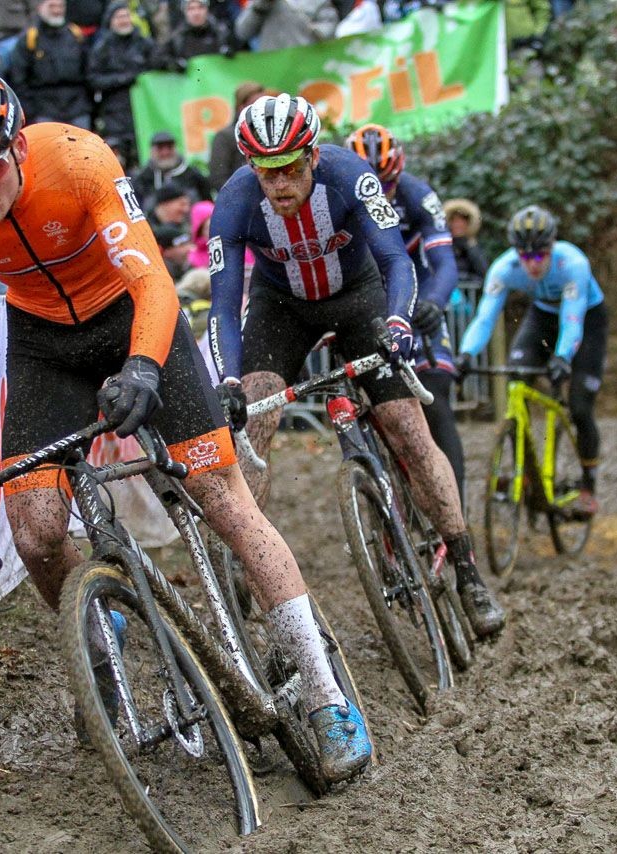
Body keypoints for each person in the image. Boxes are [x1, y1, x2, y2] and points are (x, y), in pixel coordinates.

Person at [0, 66, 372, 782]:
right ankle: (99, 637)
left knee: (225, 500)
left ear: (19, 148)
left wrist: (146, 367)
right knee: (34, 530)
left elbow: (152, 279)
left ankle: (325, 693)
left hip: (132, 317)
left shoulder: (80, 156)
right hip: (43, 343)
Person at [208, 94, 505, 638]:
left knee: (408, 430)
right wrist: (228, 378)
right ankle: (244, 567)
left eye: (291, 168)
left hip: (357, 296)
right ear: (251, 168)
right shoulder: (233, 202)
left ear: (314, 155)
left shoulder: (351, 175)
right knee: (253, 420)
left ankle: (467, 569)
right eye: (266, 171)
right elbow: (224, 304)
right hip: (282, 308)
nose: (279, 184)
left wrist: (397, 324)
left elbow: (397, 260)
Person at [457, 205, 607, 517]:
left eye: (539, 256)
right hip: (542, 315)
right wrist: (466, 353)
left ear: (552, 248)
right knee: (516, 380)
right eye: (525, 256)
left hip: (586, 321)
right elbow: (485, 316)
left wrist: (563, 357)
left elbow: (573, 317)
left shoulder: (573, 263)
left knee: (580, 406)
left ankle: (589, 485)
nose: (532, 264)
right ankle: (524, 469)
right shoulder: (504, 269)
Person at [346, 123, 467, 505]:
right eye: (372, 186)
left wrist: (433, 302)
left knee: (437, 403)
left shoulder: (417, 195)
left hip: (416, 304)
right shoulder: (337, 197)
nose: (380, 195)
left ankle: (455, 515)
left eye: (388, 184)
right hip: (369, 307)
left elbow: (445, 263)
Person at [86, 0, 155, 168]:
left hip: (143, 111)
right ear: (111, 21)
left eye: (126, 16)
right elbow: (93, 79)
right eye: (119, 17)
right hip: (115, 112)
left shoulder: (144, 43)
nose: (124, 20)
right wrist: (123, 79)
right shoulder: (102, 48)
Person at [7, 0, 91, 128]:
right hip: (44, 109)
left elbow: (88, 71)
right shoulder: (29, 39)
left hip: (78, 108)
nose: (57, 10)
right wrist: (30, 110)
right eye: (52, 6)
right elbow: (18, 78)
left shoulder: (75, 34)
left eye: (60, 6)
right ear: (40, 8)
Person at [131, 129, 212, 211]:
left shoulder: (192, 174)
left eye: (169, 147)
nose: (165, 153)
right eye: (160, 148)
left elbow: (207, 203)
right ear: (152, 151)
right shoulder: (143, 178)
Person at [206, 80, 262, 192]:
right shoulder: (225, 136)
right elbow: (218, 178)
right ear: (241, 107)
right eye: (256, 103)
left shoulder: (268, 134)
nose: (262, 108)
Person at [155, 0, 233, 73]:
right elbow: (156, 59)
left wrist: (230, 50)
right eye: (191, 9)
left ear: (207, 10)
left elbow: (239, 45)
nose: (196, 13)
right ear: (185, 12)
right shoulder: (177, 37)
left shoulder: (221, 32)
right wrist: (173, 64)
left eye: (200, 7)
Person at [233, 0, 336, 51]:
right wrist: (260, 7)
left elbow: (330, 25)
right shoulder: (259, 2)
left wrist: (315, 32)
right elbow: (242, 32)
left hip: (306, 61)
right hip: (274, 65)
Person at [443, 198, 488, 280]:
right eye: (454, 220)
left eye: (461, 221)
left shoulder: (472, 245)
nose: (457, 224)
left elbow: (483, 272)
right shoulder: (444, 244)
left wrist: (469, 246)